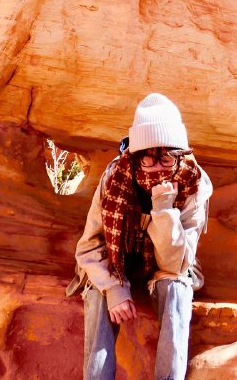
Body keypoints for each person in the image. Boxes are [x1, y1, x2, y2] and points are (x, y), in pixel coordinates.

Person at [66, 92, 213, 380]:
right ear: (135, 158)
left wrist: (164, 209)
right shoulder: (115, 177)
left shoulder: (194, 183)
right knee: (97, 294)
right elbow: (89, 247)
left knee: (177, 289)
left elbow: (176, 264)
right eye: (149, 160)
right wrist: (114, 288)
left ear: (181, 156)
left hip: (165, 266)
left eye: (167, 159)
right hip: (115, 261)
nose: (159, 169)